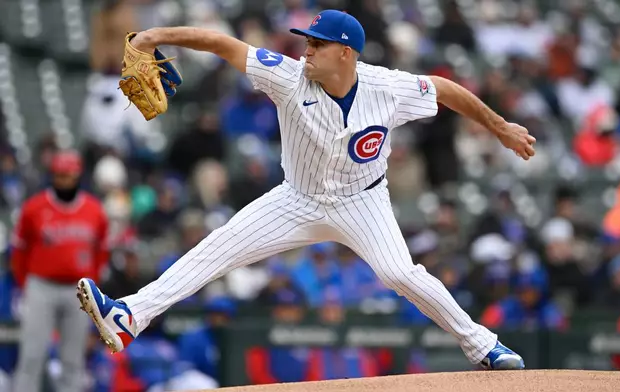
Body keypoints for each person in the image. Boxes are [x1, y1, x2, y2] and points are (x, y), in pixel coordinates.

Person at [77, 9, 536, 371]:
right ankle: (129, 316)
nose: (307, 50)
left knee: (400, 273)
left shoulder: (387, 87)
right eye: (307, 42)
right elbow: (222, 43)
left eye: (318, 44)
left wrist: (499, 128)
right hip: (296, 199)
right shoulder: (286, 75)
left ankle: (484, 345)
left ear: (346, 53)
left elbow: (444, 88)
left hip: (363, 199)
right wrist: (153, 37)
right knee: (216, 249)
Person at [12, 150, 110, 392]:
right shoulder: (34, 208)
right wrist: (26, 284)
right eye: (60, 175)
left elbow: (102, 251)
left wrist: (92, 284)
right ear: (52, 176)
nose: (65, 181)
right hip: (41, 285)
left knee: (73, 358)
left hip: (78, 290)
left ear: (78, 176)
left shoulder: (95, 210)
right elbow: (19, 251)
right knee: (32, 354)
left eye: (69, 175)